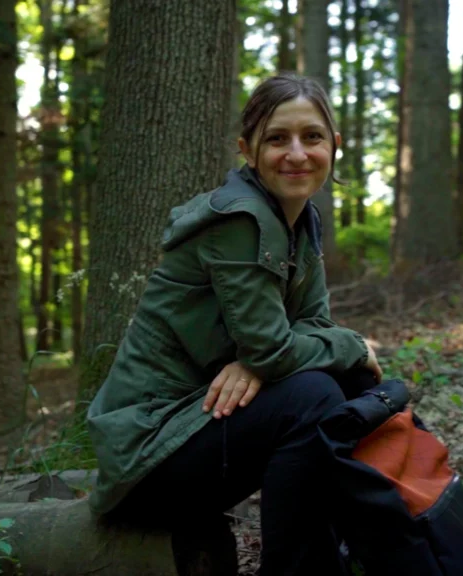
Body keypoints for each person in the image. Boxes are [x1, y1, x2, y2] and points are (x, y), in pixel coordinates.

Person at [86, 73, 383, 575]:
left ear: (334, 145)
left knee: (349, 383)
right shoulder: (240, 220)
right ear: (247, 150)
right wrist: (344, 345)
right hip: (148, 456)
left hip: (197, 427)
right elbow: (279, 348)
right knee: (313, 395)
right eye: (276, 139)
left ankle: (353, 552)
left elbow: (308, 326)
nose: (296, 153)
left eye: (311, 137)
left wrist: (264, 361)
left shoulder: (299, 219)